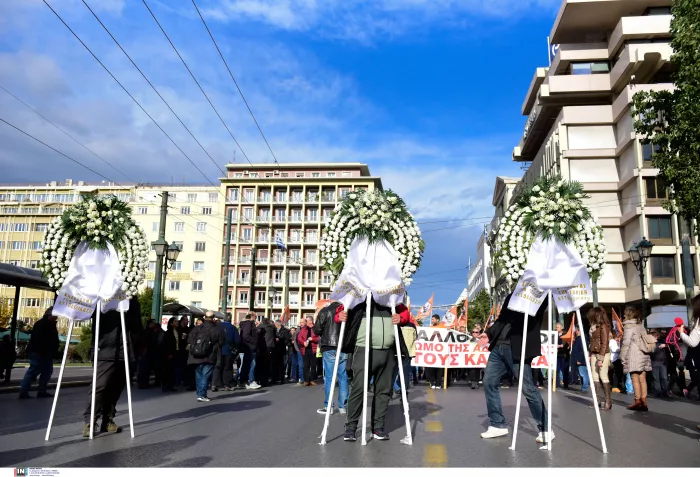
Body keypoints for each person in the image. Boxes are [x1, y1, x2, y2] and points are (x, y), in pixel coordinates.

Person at [478, 293, 551, 443]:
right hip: (499, 347)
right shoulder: (511, 295)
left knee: (527, 388)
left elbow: (540, 309)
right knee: (489, 382)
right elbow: (502, 318)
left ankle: (545, 428)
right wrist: (488, 333)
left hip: (517, 349)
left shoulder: (539, 296)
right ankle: (497, 424)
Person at [336, 298, 411, 442]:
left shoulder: (391, 300)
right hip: (363, 350)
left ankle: (378, 427)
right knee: (359, 388)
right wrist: (340, 316)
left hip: (388, 351)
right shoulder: (360, 297)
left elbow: (405, 314)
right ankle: (351, 427)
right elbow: (342, 309)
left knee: (384, 391)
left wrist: (400, 318)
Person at [82, 297, 143, 437]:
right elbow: (86, 312)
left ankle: (107, 419)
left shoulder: (131, 299)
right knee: (99, 385)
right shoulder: (100, 296)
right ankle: (90, 421)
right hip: (104, 348)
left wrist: (138, 346)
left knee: (116, 387)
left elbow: (136, 325)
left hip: (125, 349)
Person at [314, 302, 348, 414]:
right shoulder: (346, 310)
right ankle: (343, 406)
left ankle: (329, 406)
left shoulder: (325, 310)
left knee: (329, 377)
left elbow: (317, 330)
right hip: (343, 346)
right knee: (343, 376)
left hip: (329, 345)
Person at [19, 307, 59, 399]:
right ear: (49, 314)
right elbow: (38, 339)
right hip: (39, 352)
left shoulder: (51, 324)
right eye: (55, 315)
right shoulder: (42, 324)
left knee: (47, 372)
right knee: (33, 371)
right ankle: (24, 391)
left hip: (47, 353)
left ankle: (42, 391)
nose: (57, 317)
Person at [187, 311, 224, 402]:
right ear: (213, 318)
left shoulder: (197, 328)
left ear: (204, 317)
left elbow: (189, 340)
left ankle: (200, 394)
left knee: (199, 375)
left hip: (196, 356)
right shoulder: (217, 329)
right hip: (209, 356)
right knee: (205, 376)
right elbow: (221, 342)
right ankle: (202, 395)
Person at [621, 306, 652, 412]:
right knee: (642, 379)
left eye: (625, 313)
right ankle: (644, 401)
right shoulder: (640, 325)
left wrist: (622, 357)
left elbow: (626, 344)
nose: (623, 315)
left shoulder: (629, 326)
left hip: (633, 355)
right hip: (643, 354)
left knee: (635, 378)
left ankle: (637, 401)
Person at [588, 306, 612, 410]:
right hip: (594, 352)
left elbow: (604, 343)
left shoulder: (603, 326)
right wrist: (590, 354)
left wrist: (601, 358)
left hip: (602, 353)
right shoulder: (594, 326)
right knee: (594, 377)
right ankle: (597, 400)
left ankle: (608, 401)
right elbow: (592, 342)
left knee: (603, 376)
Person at [678, 295, 700, 399]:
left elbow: (693, 342)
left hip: (696, 357)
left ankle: (688, 390)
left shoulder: (698, 321)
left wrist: (682, 333)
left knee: (696, 376)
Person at [214, 315, 240, 391]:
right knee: (227, 367)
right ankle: (227, 384)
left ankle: (216, 383)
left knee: (218, 366)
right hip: (228, 350)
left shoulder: (217, 326)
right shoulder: (233, 328)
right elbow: (237, 340)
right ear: (230, 320)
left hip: (218, 350)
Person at [238, 312, 261, 390]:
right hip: (250, 347)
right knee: (252, 364)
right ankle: (251, 381)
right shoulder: (248, 324)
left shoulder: (245, 324)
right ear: (252, 316)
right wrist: (254, 341)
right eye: (255, 316)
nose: (256, 318)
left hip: (247, 347)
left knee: (245, 364)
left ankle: (242, 381)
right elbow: (246, 335)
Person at [297, 317, 319, 386]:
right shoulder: (304, 329)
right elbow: (299, 337)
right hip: (305, 350)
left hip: (313, 350)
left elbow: (319, 338)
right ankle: (306, 380)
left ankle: (312, 380)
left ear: (311, 321)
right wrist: (303, 342)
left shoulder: (316, 328)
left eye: (307, 320)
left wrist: (313, 339)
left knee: (313, 365)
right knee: (305, 365)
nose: (306, 322)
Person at [424, 314, 444, 389]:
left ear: (437, 320)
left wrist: (448, 330)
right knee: (431, 368)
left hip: (440, 351)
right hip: (431, 351)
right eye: (432, 319)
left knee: (440, 368)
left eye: (433, 319)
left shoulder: (443, 327)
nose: (432, 321)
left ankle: (438, 383)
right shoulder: (430, 328)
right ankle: (432, 382)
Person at [160, 317, 179, 392]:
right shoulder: (168, 333)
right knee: (167, 370)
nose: (177, 323)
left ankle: (170, 385)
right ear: (171, 323)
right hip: (169, 354)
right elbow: (167, 344)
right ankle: (165, 385)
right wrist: (169, 353)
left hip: (176, 352)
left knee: (172, 370)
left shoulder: (177, 331)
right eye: (175, 321)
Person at [649, 330, 669, 398]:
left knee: (664, 377)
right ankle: (658, 392)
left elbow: (670, 345)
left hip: (662, 362)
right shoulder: (650, 344)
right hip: (654, 362)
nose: (655, 337)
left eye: (656, 336)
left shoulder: (662, 341)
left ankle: (665, 391)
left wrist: (665, 345)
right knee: (656, 378)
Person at [571, 329, 588, 393]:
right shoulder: (579, 339)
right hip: (579, 359)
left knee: (583, 374)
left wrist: (579, 360)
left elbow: (582, 350)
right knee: (582, 374)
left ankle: (585, 388)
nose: (576, 332)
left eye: (577, 330)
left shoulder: (581, 339)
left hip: (581, 360)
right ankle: (583, 387)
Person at [273, 320, 290, 385]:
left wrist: (280, 340)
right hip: (275, 349)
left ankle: (281, 379)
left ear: (277, 325)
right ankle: (275, 378)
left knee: (281, 365)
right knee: (275, 365)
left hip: (282, 350)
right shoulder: (274, 330)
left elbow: (287, 340)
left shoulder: (285, 331)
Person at [555, 323, 569, 389]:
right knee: (556, 370)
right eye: (556, 327)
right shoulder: (555, 334)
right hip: (557, 354)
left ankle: (565, 384)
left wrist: (560, 346)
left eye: (558, 327)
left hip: (563, 355)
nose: (556, 328)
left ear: (561, 328)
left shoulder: (565, 334)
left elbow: (566, 344)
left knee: (564, 370)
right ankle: (557, 384)